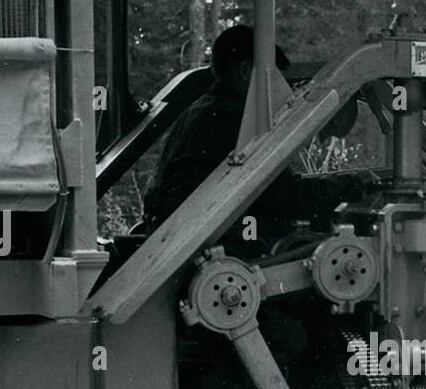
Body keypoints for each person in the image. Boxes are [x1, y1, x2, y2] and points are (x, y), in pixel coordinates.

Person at [140, 24, 361, 250]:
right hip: (205, 248)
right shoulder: (234, 117)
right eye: (273, 77)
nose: (277, 89)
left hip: (178, 240)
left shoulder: (198, 110)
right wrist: (352, 186)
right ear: (246, 71)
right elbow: (281, 196)